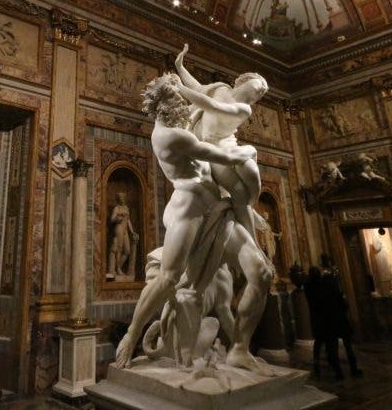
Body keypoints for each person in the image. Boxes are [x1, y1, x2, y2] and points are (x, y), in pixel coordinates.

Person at [114, 73, 275, 374]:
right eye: (178, 98)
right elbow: (218, 155)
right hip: (188, 210)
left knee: (262, 273)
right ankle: (131, 335)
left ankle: (240, 349)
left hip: (217, 209)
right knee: (168, 279)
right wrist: (250, 152)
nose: (185, 104)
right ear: (165, 105)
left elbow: (202, 97)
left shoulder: (182, 123)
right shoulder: (172, 136)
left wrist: (183, 70)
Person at [174, 44, 269, 247]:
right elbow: (199, 89)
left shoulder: (245, 109)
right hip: (209, 150)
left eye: (261, 93)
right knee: (237, 192)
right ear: (243, 80)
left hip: (227, 146)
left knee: (248, 168)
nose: (261, 91)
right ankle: (251, 233)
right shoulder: (221, 88)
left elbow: (212, 106)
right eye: (259, 84)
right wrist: (180, 68)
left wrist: (179, 88)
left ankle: (252, 224)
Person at [108, 192, 138, 277]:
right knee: (119, 249)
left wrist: (132, 232)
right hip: (119, 229)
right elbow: (111, 219)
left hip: (125, 231)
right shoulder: (116, 208)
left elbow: (128, 221)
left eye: (123, 197)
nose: (122, 199)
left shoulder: (126, 208)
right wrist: (118, 219)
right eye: (120, 197)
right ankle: (118, 269)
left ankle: (118, 267)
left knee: (127, 251)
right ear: (118, 199)